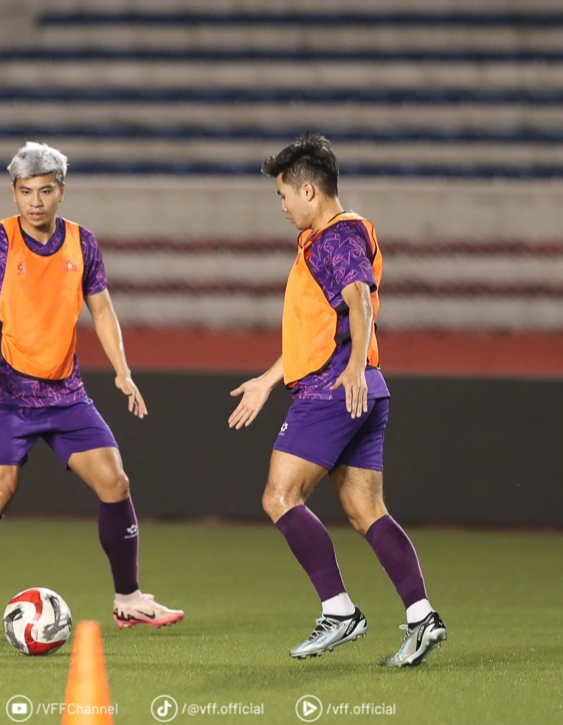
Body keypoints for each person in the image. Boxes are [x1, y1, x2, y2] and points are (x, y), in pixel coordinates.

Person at [0, 142, 183, 635]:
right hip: (8, 390)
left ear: (61, 192)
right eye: (26, 191)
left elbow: (101, 309)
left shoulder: (83, 243)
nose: (35, 201)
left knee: (115, 481)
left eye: (46, 191)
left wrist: (122, 370)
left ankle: (129, 598)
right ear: (14, 193)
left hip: (66, 393)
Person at [228, 133, 446, 666]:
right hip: (363, 386)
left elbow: (358, 297)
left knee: (280, 497)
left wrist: (348, 368)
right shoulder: (336, 236)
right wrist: (267, 379)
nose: (281, 207)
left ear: (308, 190)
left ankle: (340, 611)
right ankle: (421, 618)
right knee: (365, 509)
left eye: (283, 196)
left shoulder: (334, 238)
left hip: (334, 388)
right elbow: (323, 328)